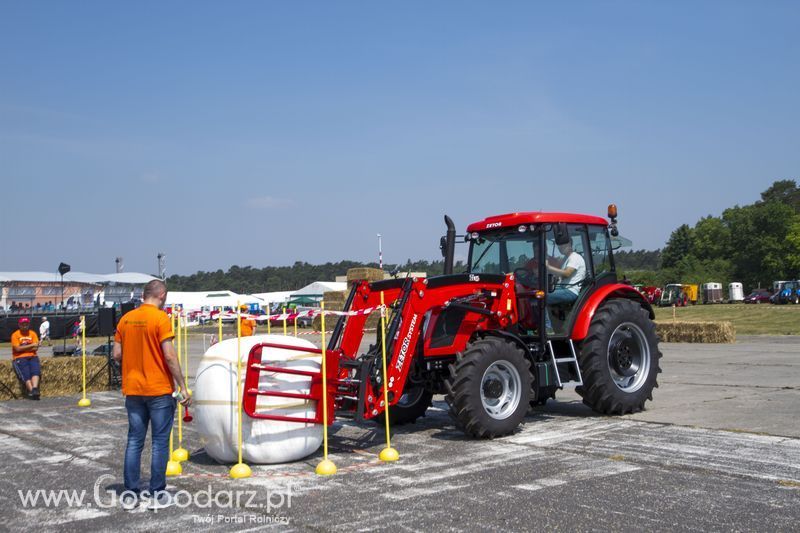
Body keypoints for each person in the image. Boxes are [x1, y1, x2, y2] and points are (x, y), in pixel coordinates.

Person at [113, 279, 191, 511]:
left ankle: (131, 491)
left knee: (135, 440)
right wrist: (183, 385)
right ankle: (157, 491)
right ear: (162, 295)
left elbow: (117, 354)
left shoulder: (126, 319)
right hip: (158, 390)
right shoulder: (160, 318)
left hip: (133, 389)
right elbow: (169, 356)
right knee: (159, 443)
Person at [545, 236, 586, 332]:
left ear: (569, 244)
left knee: (541, 298)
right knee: (539, 293)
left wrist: (548, 267)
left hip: (571, 291)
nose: (560, 247)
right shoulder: (566, 259)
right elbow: (561, 275)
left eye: (562, 245)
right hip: (563, 288)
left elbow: (567, 273)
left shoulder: (575, 257)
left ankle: (548, 329)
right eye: (559, 246)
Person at [11, 317, 41, 399]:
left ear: (28, 324)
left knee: (35, 371)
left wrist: (23, 347)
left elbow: (36, 348)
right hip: (19, 357)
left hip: (33, 356)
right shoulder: (15, 335)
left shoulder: (32, 333)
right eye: (23, 324)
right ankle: (31, 391)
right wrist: (31, 345)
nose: (25, 326)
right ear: (19, 325)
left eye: (26, 324)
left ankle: (34, 389)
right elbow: (17, 349)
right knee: (26, 374)